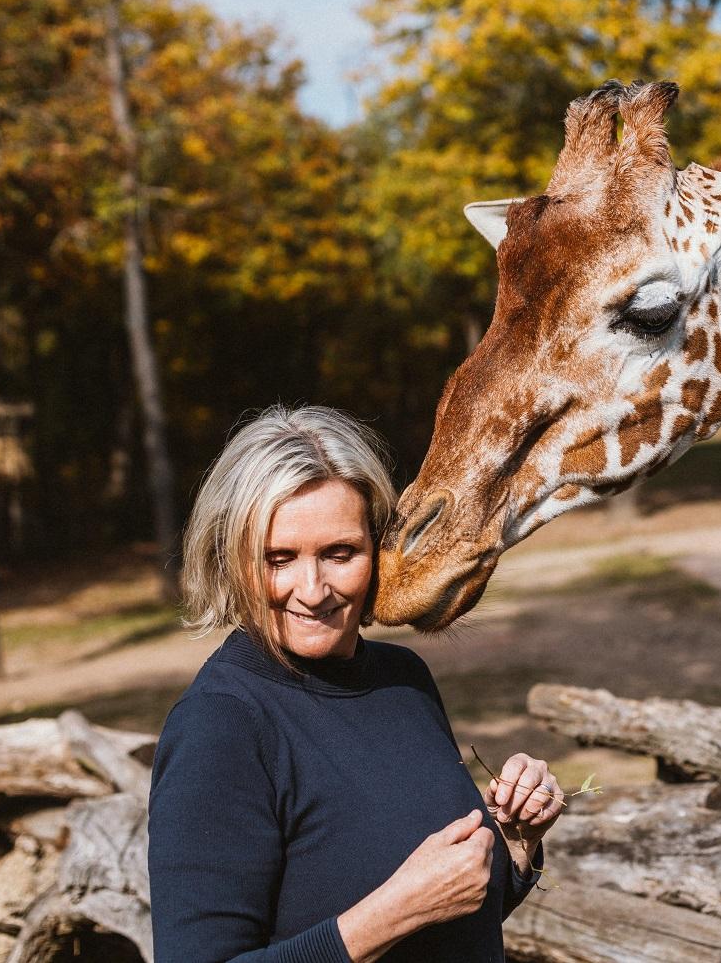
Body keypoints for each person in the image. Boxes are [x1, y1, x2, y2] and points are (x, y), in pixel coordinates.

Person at [148, 405, 562, 962]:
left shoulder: (403, 680)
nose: (313, 589)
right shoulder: (221, 725)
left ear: (379, 549)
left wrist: (514, 840)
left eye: (339, 553)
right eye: (278, 559)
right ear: (230, 561)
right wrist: (395, 911)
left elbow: (453, 928)